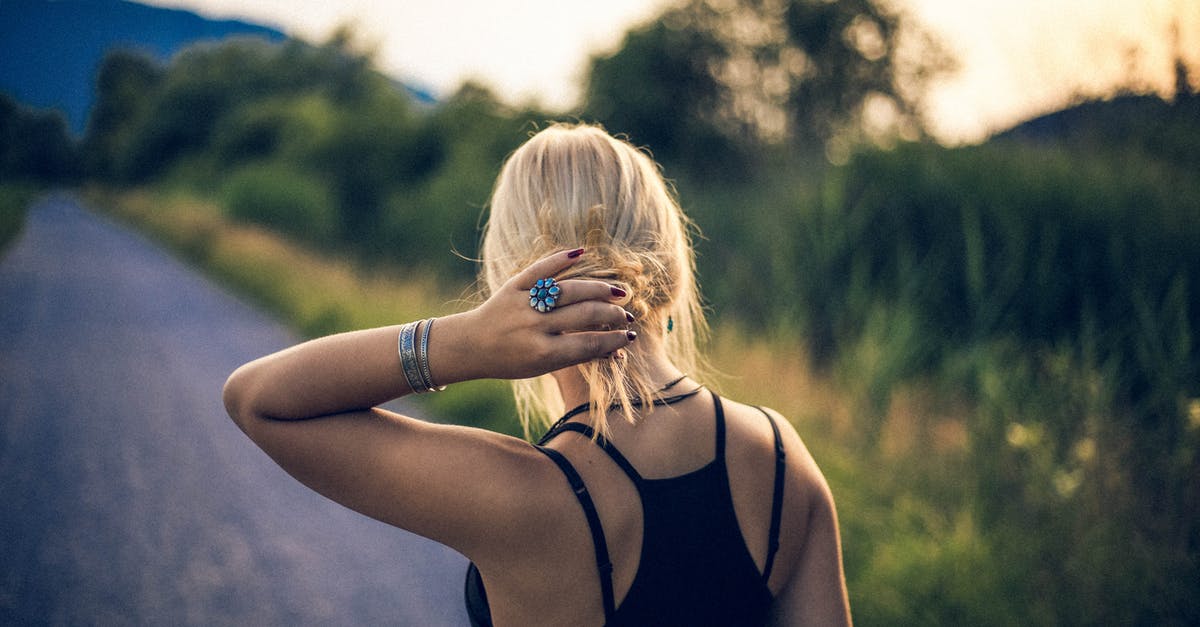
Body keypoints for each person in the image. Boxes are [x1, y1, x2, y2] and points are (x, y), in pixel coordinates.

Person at [223, 123, 852, 626]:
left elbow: (256, 399)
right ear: (674, 274)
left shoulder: (524, 496)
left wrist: (465, 343)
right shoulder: (782, 458)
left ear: (506, 282)